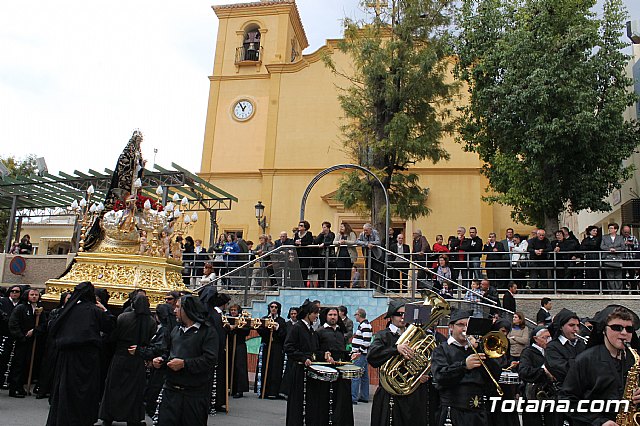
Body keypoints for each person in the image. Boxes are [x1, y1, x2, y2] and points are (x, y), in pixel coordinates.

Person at [46, 282, 115, 426]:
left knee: (66, 389)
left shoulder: (69, 309)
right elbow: (110, 326)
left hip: (68, 356)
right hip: (88, 357)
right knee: (85, 391)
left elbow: (54, 327)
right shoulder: (95, 310)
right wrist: (105, 310)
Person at [560, 305, 640, 426]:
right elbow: (566, 401)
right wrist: (599, 421)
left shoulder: (634, 358)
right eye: (617, 328)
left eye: (629, 329)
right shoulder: (586, 360)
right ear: (603, 330)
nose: (624, 333)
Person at [152, 295, 218, 426]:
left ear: (187, 310)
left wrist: (184, 364)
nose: (174, 311)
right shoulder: (176, 330)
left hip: (194, 394)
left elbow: (210, 359)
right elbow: (168, 352)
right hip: (171, 391)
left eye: (177, 307)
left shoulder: (207, 332)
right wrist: (162, 360)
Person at [431, 309, 502, 426]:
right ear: (451, 327)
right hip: (454, 411)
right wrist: (464, 366)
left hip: (478, 412)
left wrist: (480, 349)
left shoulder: (477, 349)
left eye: (468, 325)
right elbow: (440, 376)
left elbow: (495, 375)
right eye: (461, 325)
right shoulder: (442, 350)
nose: (465, 329)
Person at [368, 301, 429, 426]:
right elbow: (372, 356)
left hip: (412, 393)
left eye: (405, 314)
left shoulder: (415, 336)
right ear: (391, 317)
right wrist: (395, 349)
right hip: (389, 393)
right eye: (398, 314)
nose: (402, 317)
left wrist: (421, 374)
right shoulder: (383, 335)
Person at [99, 294, 156, 426]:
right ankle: (132, 417)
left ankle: (108, 416)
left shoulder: (124, 317)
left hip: (120, 356)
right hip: (137, 358)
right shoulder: (151, 322)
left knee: (113, 387)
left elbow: (114, 336)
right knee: (134, 390)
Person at [284, 299, 323, 426]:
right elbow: (288, 347)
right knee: (298, 401)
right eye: (315, 313)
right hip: (299, 370)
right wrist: (302, 358)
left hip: (309, 369)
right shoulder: (297, 328)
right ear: (308, 313)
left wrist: (324, 355)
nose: (317, 316)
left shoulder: (311, 330)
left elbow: (314, 350)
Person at [316, 307, 354, 425]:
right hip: (326, 369)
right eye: (330, 315)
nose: (333, 317)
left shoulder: (340, 332)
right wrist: (325, 356)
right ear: (326, 317)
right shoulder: (320, 331)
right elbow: (316, 350)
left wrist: (350, 356)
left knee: (341, 398)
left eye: (335, 315)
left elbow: (342, 350)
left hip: (340, 368)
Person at [8, 288, 45, 398]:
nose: (34, 296)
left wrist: (34, 331)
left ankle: (21, 387)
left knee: (27, 365)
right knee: (18, 365)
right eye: (32, 294)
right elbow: (13, 323)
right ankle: (14, 388)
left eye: (36, 295)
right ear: (27, 296)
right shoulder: (21, 308)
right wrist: (21, 336)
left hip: (33, 342)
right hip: (22, 341)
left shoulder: (39, 310)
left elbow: (43, 325)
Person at [544, 308, 586, 401]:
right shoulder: (553, 347)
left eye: (578, 325)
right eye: (571, 325)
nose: (576, 329)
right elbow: (562, 370)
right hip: (563, 395)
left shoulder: (582, 344)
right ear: (561, 327)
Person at [518, 326, 555, 426]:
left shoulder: (552, 352)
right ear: (535, 339)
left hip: (550, 394)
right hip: (532, 395)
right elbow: (523, 371)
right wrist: (543, 371)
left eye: (550, 338)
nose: (548, 340)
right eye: (545, 337)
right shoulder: (528, 352)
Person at [255, 301, 286, 399]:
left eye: (276, 307)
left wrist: (277, 328)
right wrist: (267, 328)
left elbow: (284, 334)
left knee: (275, 369)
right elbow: (260, 331)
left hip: (276, 347)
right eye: (272, 307)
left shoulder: (281, 321)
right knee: (265, 367)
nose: (273, 309)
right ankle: (263, 390)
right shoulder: (265, 319)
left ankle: (274, 391)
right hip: (266, 345)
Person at [0, 285, 22, 386]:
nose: (14, 293)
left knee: (11, 359)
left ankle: (7, 380)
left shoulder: (21, 304)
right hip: (3, 333)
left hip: (14, 335)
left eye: (17, 291)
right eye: (12, 291)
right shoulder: (3, 301)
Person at [226, 304, 249, 399]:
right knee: (229, 365)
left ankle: (239, 389)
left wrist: (237, 327)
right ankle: (230, 387)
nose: (233, 312)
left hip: (239, 345)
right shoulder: (227, 318)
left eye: (235, 310)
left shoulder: (243, 319)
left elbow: (246, 331)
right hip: (230, 345)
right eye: (231, 310)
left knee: (239, 366)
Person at [350, 308, 372, 405]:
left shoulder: (365, 326)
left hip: (360, 355)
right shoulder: (364, 325)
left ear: (359, 315)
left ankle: (353, 397)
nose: (355, 316)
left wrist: (359, 351)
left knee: (356, 375)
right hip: (362, 354)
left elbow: (367, 342)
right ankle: (364, 396)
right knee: (364, 376)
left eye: (356, 314)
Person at [356, 224, 384, 290]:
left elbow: (378, 241)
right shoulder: (362, 234)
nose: (365, 231)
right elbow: (357, 241)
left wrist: (372, 244)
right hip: (367, 255)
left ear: (370, 229)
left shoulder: (375, 232)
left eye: (366, 230)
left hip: (376, 255)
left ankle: (374, 287)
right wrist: (366, 244)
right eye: (364, 230)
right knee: (368, 271)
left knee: (376, 272)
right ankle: (369, 286)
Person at [601, 223, 626, 291]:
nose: (610, 229)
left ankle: (618, 291)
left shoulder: (620, 237)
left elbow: (623, 247)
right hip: (608, 258)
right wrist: (610, 249)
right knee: (610, 276)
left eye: (611, 228)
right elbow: (602, 246)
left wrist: (616, 250)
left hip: (618, 257)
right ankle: (611, 291)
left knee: (618, 276)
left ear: (616, 229)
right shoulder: (604, 237)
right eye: (609, 228)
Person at [314, 221, 336, 287]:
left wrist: (324, 244)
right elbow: (316, 241)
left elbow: (331, 241)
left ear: (328, 228)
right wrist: (321, 234)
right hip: (322, 255)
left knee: (330, 272)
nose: (323, 229)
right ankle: (321, 284)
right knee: (321, 272)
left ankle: (329, 285)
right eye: (323, 227)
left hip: (330, 256)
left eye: (325, 227)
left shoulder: (331, 234)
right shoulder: (322, 235)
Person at [580, 225, 601, 291]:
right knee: (588, 273)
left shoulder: (598, 239)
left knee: (596, 273)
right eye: (594, 231)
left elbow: (596, 247)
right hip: (588, 258)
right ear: (590, 231)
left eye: (596, 231)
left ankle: (597, 289)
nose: (595, 232)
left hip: (595, 257)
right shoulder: (586, 239)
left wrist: (589, 246)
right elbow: (582, 248)